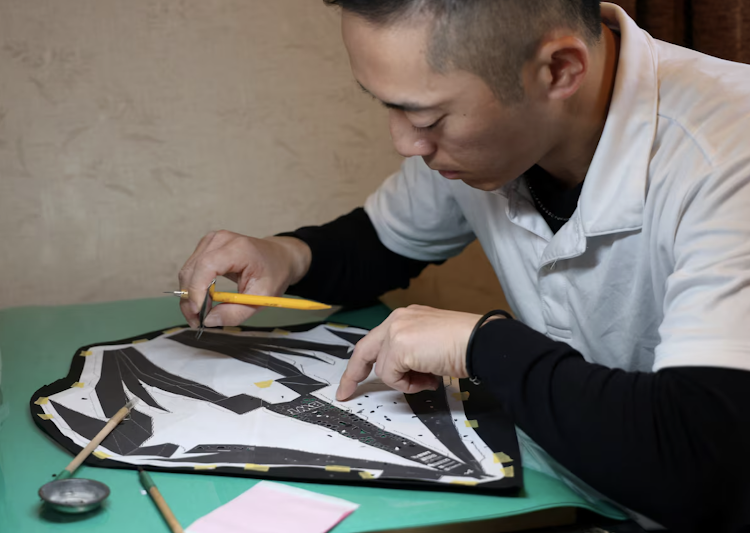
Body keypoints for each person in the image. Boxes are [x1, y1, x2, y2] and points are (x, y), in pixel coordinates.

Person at [177, 1, 750, 530]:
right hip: (577, 493)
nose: (405, 143)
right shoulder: (490, 143)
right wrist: (285, 254)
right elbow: (379, 244)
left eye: (425, 118)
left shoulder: (730, 150)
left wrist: (483, 344)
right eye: (387, 106)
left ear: (557, 71)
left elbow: (704, 462)